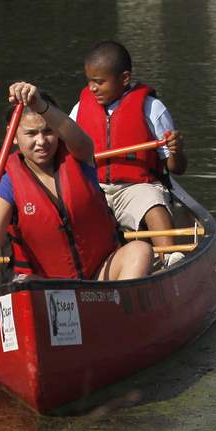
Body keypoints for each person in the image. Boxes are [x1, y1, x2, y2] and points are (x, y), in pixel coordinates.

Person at [0, 82, 153, 282]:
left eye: (48, 131)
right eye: (31, 134)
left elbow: (79, 138)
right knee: (23, 282)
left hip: (101, 276)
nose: (41, 141)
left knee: (140, 250)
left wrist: (41, 105)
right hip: (48, 287)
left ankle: (118, 309)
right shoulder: (8, 183)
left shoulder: (80, 156)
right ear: (13, 135)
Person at [69, 40, 188, 266]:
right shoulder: (79, 108)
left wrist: (176, 151)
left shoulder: (152, 108)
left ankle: (170, 259)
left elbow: (177, 168)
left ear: (124, 79)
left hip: (136, 187)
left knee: (153, 204)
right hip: (95, 188)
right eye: (89, 82)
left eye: (100, 82)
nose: (92, 88)